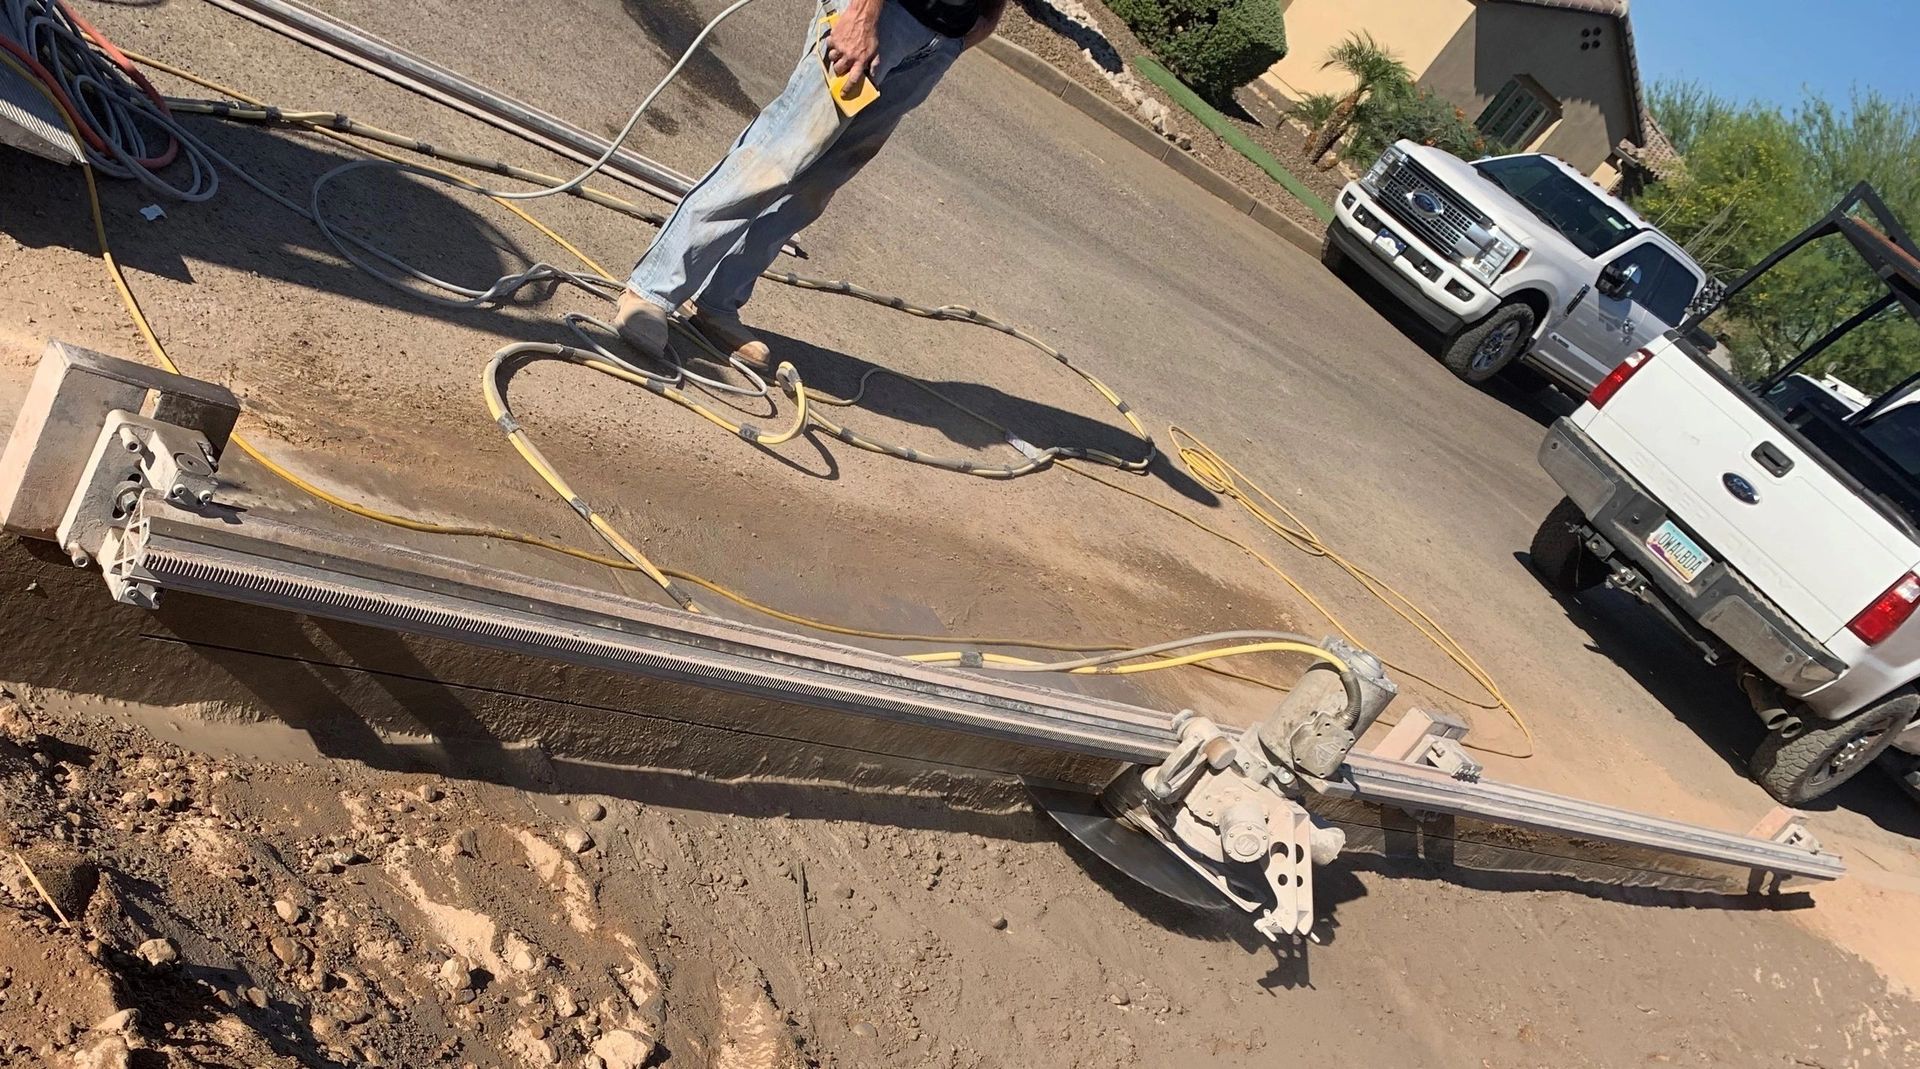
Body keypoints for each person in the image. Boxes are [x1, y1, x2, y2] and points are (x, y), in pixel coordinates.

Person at [614, 0, 1005, 369]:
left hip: (940, 38)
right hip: (885, 15)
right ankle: (652, 290)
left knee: (818, 183)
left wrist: (975, 29)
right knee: (780, 155)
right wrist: (863, 16)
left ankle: (718, 302)